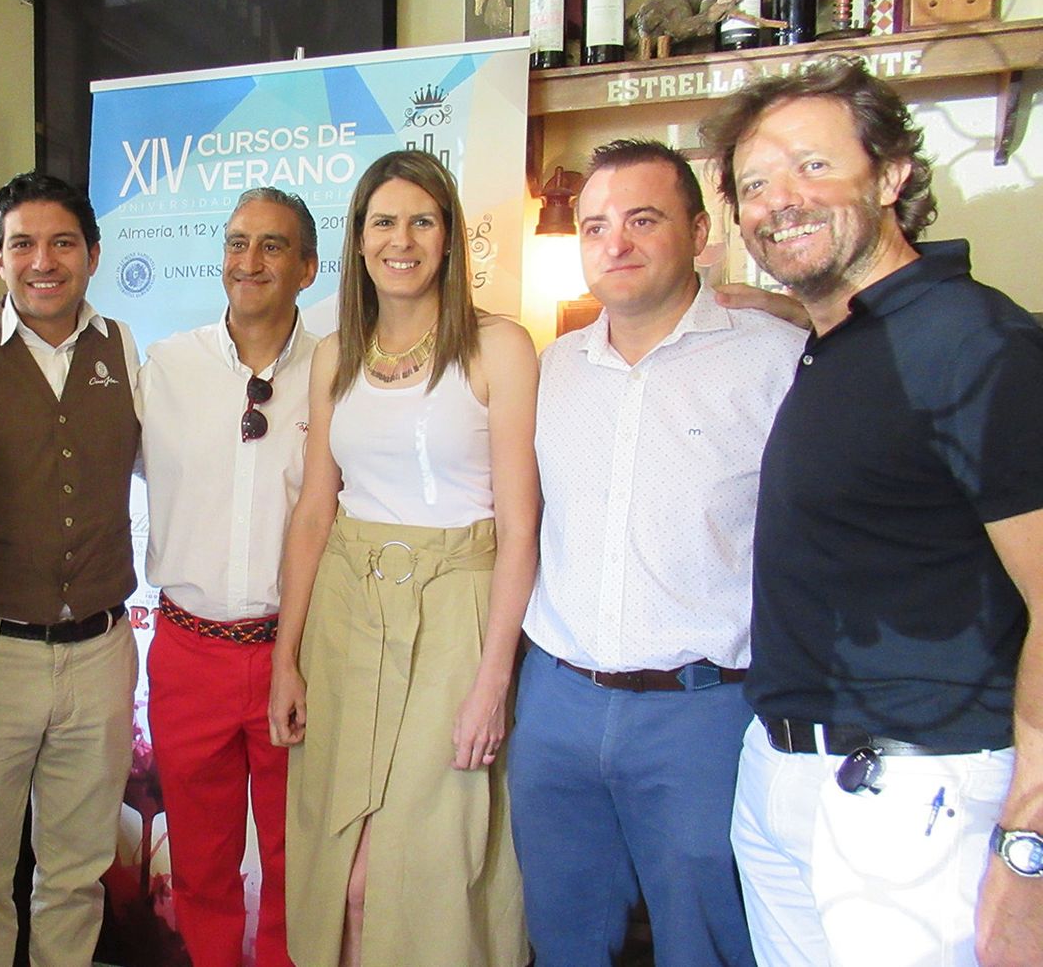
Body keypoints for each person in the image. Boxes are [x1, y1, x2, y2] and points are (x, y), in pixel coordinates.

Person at [700, 56, 1043, 967]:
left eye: (814, 167)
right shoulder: (838, 340)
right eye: (755, 185)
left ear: (892, 175)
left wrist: (1030, 850)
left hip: (914, 799)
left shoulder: (977, 342)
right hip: (785, 775)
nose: (781, 201)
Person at [508, 139, 805, 966]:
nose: (617, 243)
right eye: (596, 226)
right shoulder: (553, 367)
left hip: (704, 715)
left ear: (701, 231)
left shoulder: (775, 360)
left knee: (703, 945)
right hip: (558, 705)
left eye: (644, 219)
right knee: (562, 941)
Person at [268, 149, 536, 967]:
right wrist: (287, 657)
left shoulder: (501, 348)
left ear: (450, 238)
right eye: (383, 221)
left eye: (423, 220)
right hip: (346, 619)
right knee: (335, 869)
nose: (402, 239)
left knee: (404, 874)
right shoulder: (333, 357)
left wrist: (493, 681)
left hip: (456, 619)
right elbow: (315, 512)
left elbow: (522, 528)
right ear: (358, 241)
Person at [0, 172, 140, 967]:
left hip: (100, 651)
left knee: (76, 872)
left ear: (93, 254)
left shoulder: (123, 347)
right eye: (22, 243)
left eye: (62, 242)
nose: (43, 261)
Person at [137, 187, 319, 967]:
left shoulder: (340, 370)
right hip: (188, 656)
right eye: (238, 243)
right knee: (202, 862)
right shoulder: (165, 366)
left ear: (308, 267)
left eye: (272, 246)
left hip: (298, 655)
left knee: (293, 859)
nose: (250, 261)